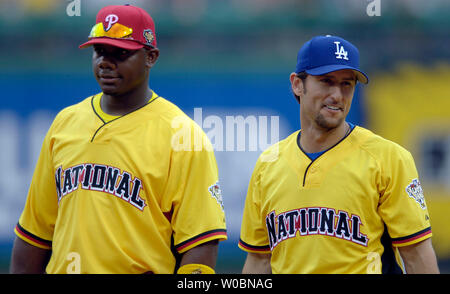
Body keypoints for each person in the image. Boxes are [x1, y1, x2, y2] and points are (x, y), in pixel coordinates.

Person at [10, 4, 227, 274]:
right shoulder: (64, 123)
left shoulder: (182, 134)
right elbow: (34, 234)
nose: (105, 62)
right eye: (100, 51)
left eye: (120, 53)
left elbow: (201, 244)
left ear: (151, 57)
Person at [238, 35, 439, 274]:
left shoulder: (388, 158)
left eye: (347, 83)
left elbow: (416, 255)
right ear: (297, 84)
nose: (337, 94)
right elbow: (259, 260)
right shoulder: (268, 164)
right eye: (326, 81)